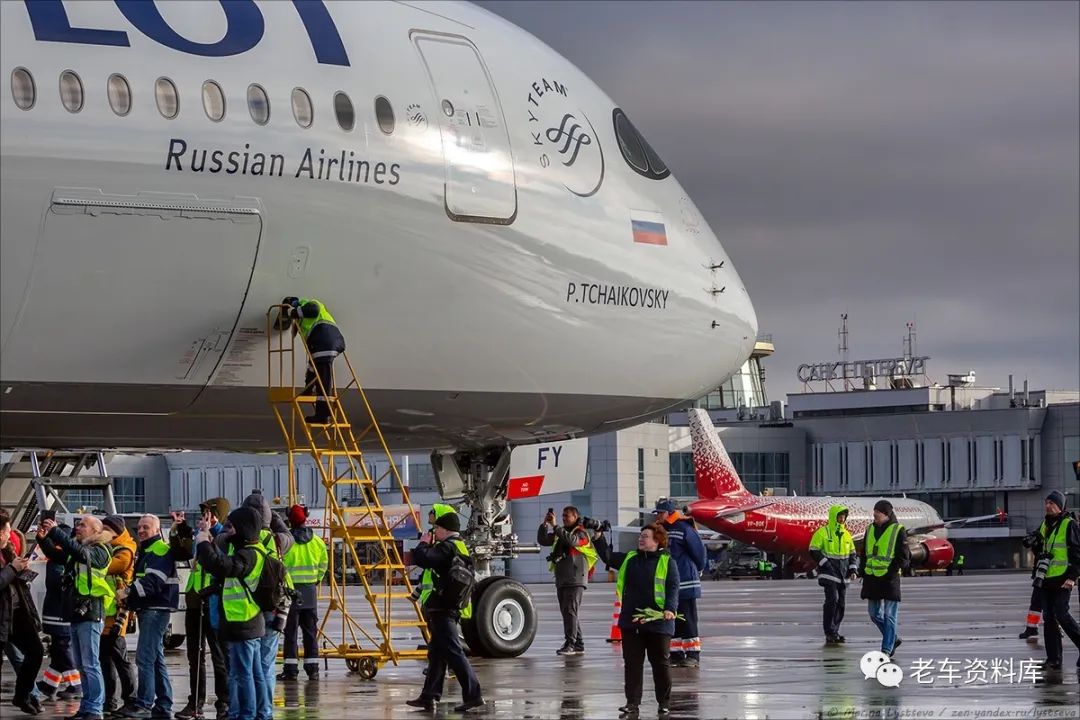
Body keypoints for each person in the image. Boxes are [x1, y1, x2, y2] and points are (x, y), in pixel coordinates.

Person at [405, 508, 484, 713]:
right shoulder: (459, 547)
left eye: (437, 527)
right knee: (437, 653)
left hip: (443, 608)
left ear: (446, 529)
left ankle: (474, 695)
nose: (434, 531)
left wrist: (423, 542)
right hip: (448, 606)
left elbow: (422, 559)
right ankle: (429, 696)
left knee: (453, 651)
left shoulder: (448, 547)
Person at [39, 514, 116, 720]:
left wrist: (56, 532)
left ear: (96, 531)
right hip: (76, 611)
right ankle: (86, 708)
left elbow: (82, 554)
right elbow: (57, 555)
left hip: (91, 611)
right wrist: (43, 538)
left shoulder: (102, 550)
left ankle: (95, 709)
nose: (78, 528)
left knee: (91, 664)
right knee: (81, 665)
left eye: (82, 525)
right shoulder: (79, 549)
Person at [194, 507, 269, 720]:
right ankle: (262, 714)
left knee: (242, 674)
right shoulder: (254, 550)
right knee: (254, 674)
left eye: (232, 526)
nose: (230, 531)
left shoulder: (248, 554)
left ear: (244, 528)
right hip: (248, 620)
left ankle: (246, 714)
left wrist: (202, 542)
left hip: (243, 621)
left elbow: (222, 566)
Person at [116, 514, 188, 719]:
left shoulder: (158, 550)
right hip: (153, 609)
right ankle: (163, 703)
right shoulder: (149, 549)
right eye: (139, 527)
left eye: (146, 527)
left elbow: (153, 582)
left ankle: (144, 703)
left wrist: (128, 593)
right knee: (155, 659)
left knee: (145, 658)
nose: (140, 531)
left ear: (157, 530)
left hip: (155, 609)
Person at [614, 523, 679, 719]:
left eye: (645, 536)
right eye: (640, 536)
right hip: (632, 621)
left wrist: (670, 608)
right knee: (632, 664)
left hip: (659, 622)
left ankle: (664, 703)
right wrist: (599, 536)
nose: (640, 539)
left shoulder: (667, 562)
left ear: (657, 541)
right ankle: (632, 703)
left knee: (660, 664)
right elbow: (608, 557)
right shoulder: (631, 559)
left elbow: (673, 586)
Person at [174, 498, 231, 720]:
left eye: (211, 514)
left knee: (219, 656)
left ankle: (223, 702)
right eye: (205, 514)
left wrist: (212, 529)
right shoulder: (202, 536)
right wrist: (181, 529)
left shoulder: (225, 536)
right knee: (195, 656)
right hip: (196, 602)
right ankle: (195, 702)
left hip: (214, 602)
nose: (206, 518)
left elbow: (222, 547)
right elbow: (184, 551)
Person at [241, 491, 293, 720]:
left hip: (251, 610)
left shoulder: (242, 538)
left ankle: (251, 708)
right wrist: (274, 518)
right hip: (275, 606)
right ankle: (266, 710)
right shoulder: (279, 540)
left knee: (248, 666)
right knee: (267, 663)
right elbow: (286, 532)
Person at [536, 506, 600, 656]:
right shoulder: (561, 533)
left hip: (575, 577)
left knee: (570, 611)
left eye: (567, 516)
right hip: (563, 578)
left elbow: (573, 541)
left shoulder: (581, 532)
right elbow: (543, 540)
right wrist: (545, 524)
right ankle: (578, 643)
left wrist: (556, 526)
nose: (564, 518)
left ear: (575, 516)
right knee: (568, 612)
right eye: (563, 516)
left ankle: (570, 643)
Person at [1, 509, 45, 715]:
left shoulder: (6, 550)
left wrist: (21, 570)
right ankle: (28, 695)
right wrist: (12, 569)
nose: (8, 536)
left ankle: (23, 694)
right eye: (6, 532)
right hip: (3, 614)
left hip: (17, 611)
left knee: (35, 652)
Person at [653, 499, 705, 667]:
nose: (658, 516)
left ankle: (693, 654)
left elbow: (699, 553)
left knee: (688, 620)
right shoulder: (662, 531)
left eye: (660, 513)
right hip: (669, 585)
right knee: (671, 620)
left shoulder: (684, 528)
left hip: (686, 582)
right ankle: (676, 654)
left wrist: (696, 570)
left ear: (669, 513)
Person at [35, 520, 82, 703]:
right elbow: (51, 552)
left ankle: (75, 684)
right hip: (57, 611)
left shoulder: (64, 558)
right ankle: (49, 684)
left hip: (60, 612)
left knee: (62, 647)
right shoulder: (61, 555)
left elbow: (55, 580)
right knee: (58, 648)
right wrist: (42, 538)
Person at [278, 504, 327, 682]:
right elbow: (324, 564)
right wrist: (316, 580)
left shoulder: (286, 541)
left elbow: (280, 566)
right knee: (310, 632)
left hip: (290, 592)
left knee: (290, 633)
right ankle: (313, 669)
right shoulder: (317, 542)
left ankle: (291, 670)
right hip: (310, 591)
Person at [281, 297, 346, 424]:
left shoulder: (308, 304)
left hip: (324, 340)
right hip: (329, 341)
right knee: (314, 366)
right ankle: (309, 390)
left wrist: (292, 312)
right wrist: (308, 389)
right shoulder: (308, 317)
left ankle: (323, 415)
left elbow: (313, 310)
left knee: (324, 379)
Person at [859, 500, 910, 658]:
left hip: (889, 579)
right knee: (874, 614)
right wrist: (862, 571)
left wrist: (892, 570)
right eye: (874, 514)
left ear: (886, 514)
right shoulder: (870, 529)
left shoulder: (898, 530)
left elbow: (904, 557)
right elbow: (864, 553)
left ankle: (886, 649)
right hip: (872, 578)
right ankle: (893, 638)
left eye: (877, 514)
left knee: (889, 615)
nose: (874, 517)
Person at [1036, 490, 1080, 670]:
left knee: (1062, 614)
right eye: (1046, 502)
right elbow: (1042, 549)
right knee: (1048, 617)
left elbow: (1077, 552)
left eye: (1052, 503)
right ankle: (1053, 659)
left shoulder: (1069, 524)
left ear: (1060, 506)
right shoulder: (1044, 524)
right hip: (1046, 578)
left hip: (1063, 577)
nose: (1048, 506)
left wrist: (1072, 577)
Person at [99, 515, 137, 717]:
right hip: (105, 612)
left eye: (105, 528)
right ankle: (110, 700)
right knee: (105, 659)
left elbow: (106, 567)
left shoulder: (125, 550)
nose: (101, 532)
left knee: (119, 658)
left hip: (117, 614)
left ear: (116, 531)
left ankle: (130, 699)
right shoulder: (112, 548)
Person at [808, 505, 858, 644]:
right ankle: (829, 631)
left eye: (844, 516)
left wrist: (853, 569)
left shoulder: (847, 534)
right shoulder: (823, 532)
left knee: (841, 604)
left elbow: (853, 554)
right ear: (833, 517)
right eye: (839, 516)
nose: (842, 519)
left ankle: (834, 630)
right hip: (829, 574)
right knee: (832, 601)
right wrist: (826, 564)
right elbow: (813, 549)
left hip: (843, 575)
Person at [1018, 530, 1043, 639]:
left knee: (1052, 606)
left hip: (1053, 573)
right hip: (1041, 573)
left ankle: (1057, 629)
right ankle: (1031, 628)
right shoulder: (1043, 527)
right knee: (1035, 603)